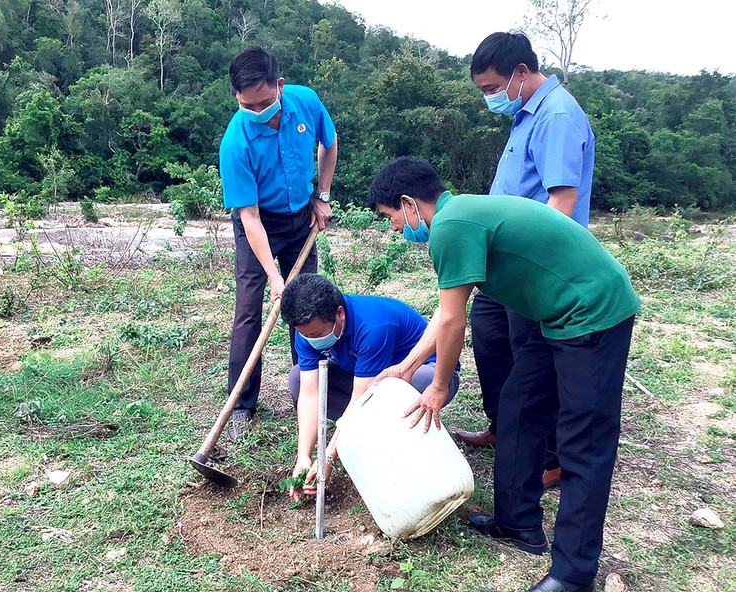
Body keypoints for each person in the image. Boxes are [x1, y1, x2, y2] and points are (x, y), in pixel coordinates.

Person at [368, 157, 639, 592]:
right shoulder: (461, 214)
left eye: (392, 218)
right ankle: (518, 523)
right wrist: (406, 367)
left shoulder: (450, 227)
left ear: (408, 203)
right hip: (553, 314)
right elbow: (446, 311)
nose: (397, 229)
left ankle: (574, 574)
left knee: (582, 440)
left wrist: (438, 387)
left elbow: (455, 324)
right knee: (517, 407)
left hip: (592, 312)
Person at [459, 32, 596, 490]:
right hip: (506, 260)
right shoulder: (525, 114)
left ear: (520, 72)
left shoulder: (556, 115)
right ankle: (504, 428)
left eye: (492, 87)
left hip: (534, 264)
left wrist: (527, 261)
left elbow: (562, 200)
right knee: (490, 333)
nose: (489, 98)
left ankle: (549, 455)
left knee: (532, 359)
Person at [219, 46, 339, 441]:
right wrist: (273, 275)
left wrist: (321, 196)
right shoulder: (235, 141)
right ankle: (241, 405)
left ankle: (303, 391)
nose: (257, 111)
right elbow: (249, 217)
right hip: (259, 221)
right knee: (250, 308)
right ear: (237, 97)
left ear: (280, 86)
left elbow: (329, 143)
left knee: (305, 303)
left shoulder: (305, 101)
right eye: (247, 105)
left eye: (265, 102)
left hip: (301, 214)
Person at [279, 273, 459, 500]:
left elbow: (361, 398)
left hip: (425, 376)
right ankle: (366, 431)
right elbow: (310, 392)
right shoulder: (306, 332)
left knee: (387, 393)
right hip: (369, 378)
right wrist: (303, 456)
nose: (310, 339)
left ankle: (397, 450)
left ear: (339, 314)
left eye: (315, 334)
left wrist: (329, 456)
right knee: (297, 377)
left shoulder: (374, 326)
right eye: (304, 334)